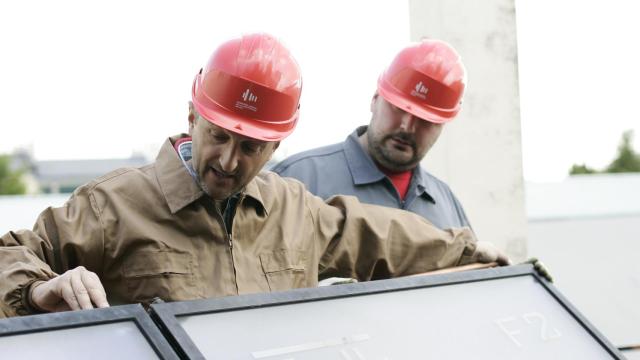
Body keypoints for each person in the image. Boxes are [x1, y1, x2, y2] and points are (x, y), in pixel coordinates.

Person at [0, 33, 508, 318]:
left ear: (276, 145)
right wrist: (40, 289)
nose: (227, 160)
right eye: (218, 135)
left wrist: (465, 250)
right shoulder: (111, 206)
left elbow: (379, 236)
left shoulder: (295, 210)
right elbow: (8, 256)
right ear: (193, 117)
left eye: (250, 147)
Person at [272, 39, 470, 231]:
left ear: (442, 125)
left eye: (425, 120)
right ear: (375, 99)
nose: (407, 126)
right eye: (398, 108)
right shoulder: (297, 180)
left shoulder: (449, 207)